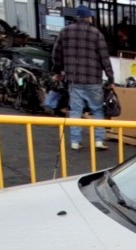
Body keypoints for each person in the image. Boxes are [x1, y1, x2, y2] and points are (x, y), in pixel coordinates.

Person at [52, 5, 115, 151]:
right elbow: (104, 58)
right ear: (88, 17)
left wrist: (58, 71)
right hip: (93, 79)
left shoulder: (65, 32)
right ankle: (99, 140)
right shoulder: (96, 33)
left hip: (74, 79)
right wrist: (110, 78)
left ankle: (75, 142)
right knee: (98, 110)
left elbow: (57, 54)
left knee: (75, 111)